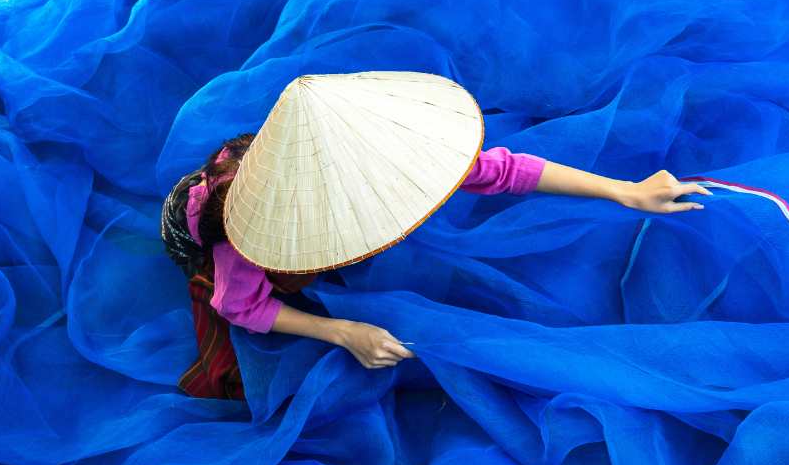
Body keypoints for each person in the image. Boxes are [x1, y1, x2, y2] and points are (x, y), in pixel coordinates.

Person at [166, 132, 712, 401]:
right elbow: (238, 305)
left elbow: (498, 170)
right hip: (205, 232)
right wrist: (340, 330)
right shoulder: (245, 239)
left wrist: (624, 191)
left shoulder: (384, 155)